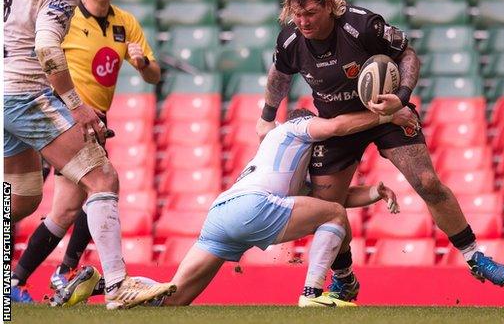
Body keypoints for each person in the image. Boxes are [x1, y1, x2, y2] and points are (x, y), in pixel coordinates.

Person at [255, 0, 504, 302]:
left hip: (387, 113)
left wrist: (402, 97)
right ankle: (345, 279)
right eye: (297, 14)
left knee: (427, 181)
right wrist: (266, 118)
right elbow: (279, 74)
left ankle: (475, 256)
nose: (303, 21)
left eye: (311, 13)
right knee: (326, 208)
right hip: (337, 123)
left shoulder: (363, 26)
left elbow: (408, 55)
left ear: (330, 7)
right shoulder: (290, 40)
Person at [54, 107, 415, 307]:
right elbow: (336, 127)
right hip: (252, 206)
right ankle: (312, 296)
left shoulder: (284, 161)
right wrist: (386, 117)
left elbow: (326, 199)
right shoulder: (297, 127)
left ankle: (103, 285)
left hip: (222, 211)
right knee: (334, 217)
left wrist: (373, 193)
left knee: (173, 298)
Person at [4, 0, 174, 309]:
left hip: (7, 95)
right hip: (31, 99)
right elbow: (47, 48)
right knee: (103, 178)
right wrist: (76, 106)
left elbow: (154, 72)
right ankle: (117, 284)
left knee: (23, 200)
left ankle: (45, 275)